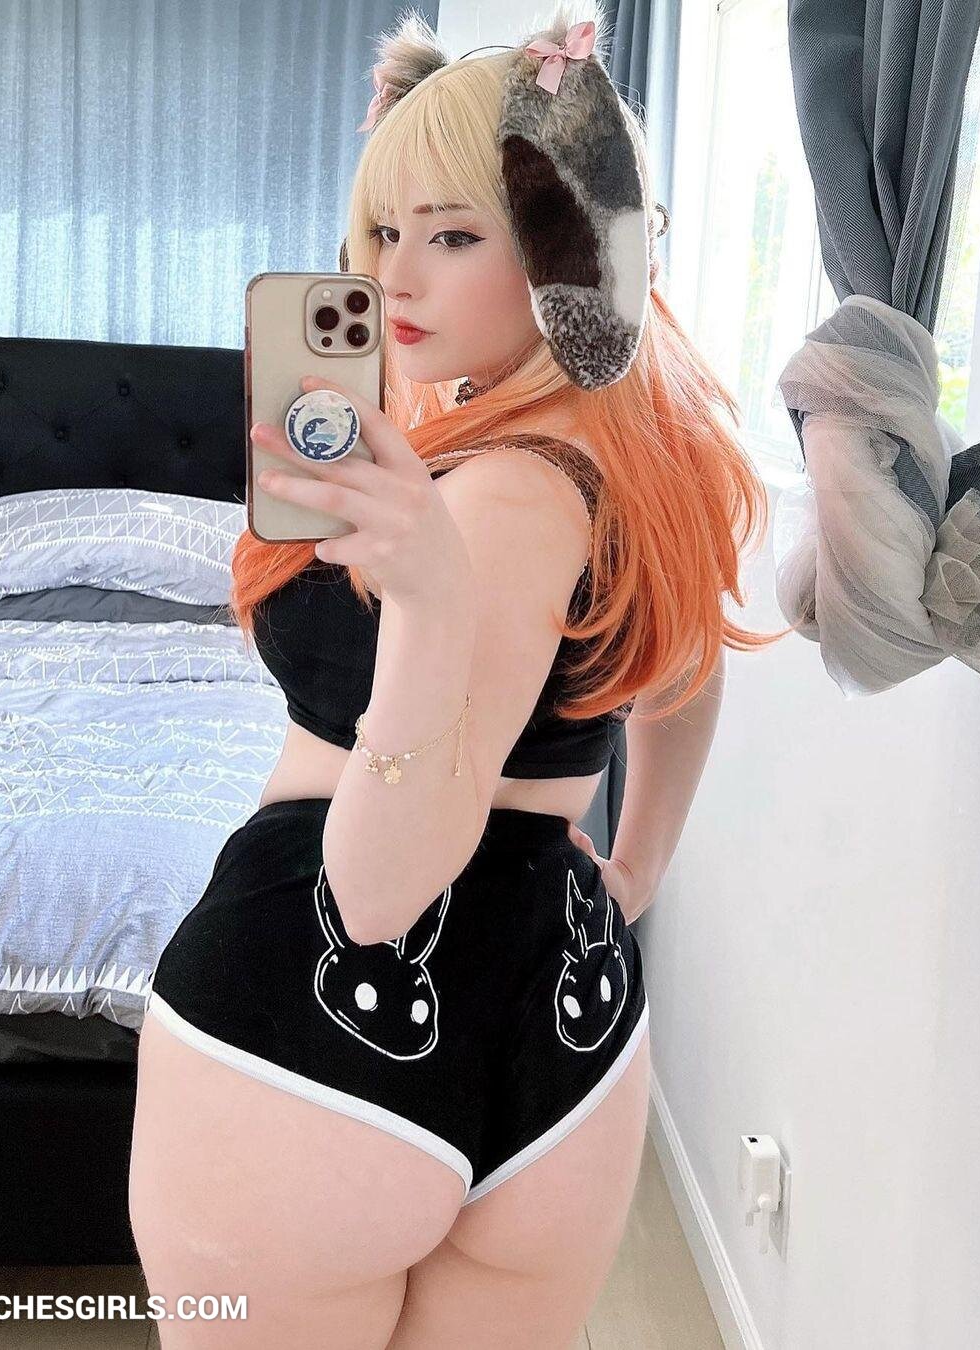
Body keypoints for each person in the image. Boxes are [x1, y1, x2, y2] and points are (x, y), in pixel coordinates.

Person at [128, 4, 786, 1346]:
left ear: (569, 251)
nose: (397, 277)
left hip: (313, 1022)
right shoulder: (637, 455)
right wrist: (634, 872)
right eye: (384, 233)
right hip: (567, 1036)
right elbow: (683, 672)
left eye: (452, 234)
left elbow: (379, 894)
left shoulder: (494, 493)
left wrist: (427, 599)